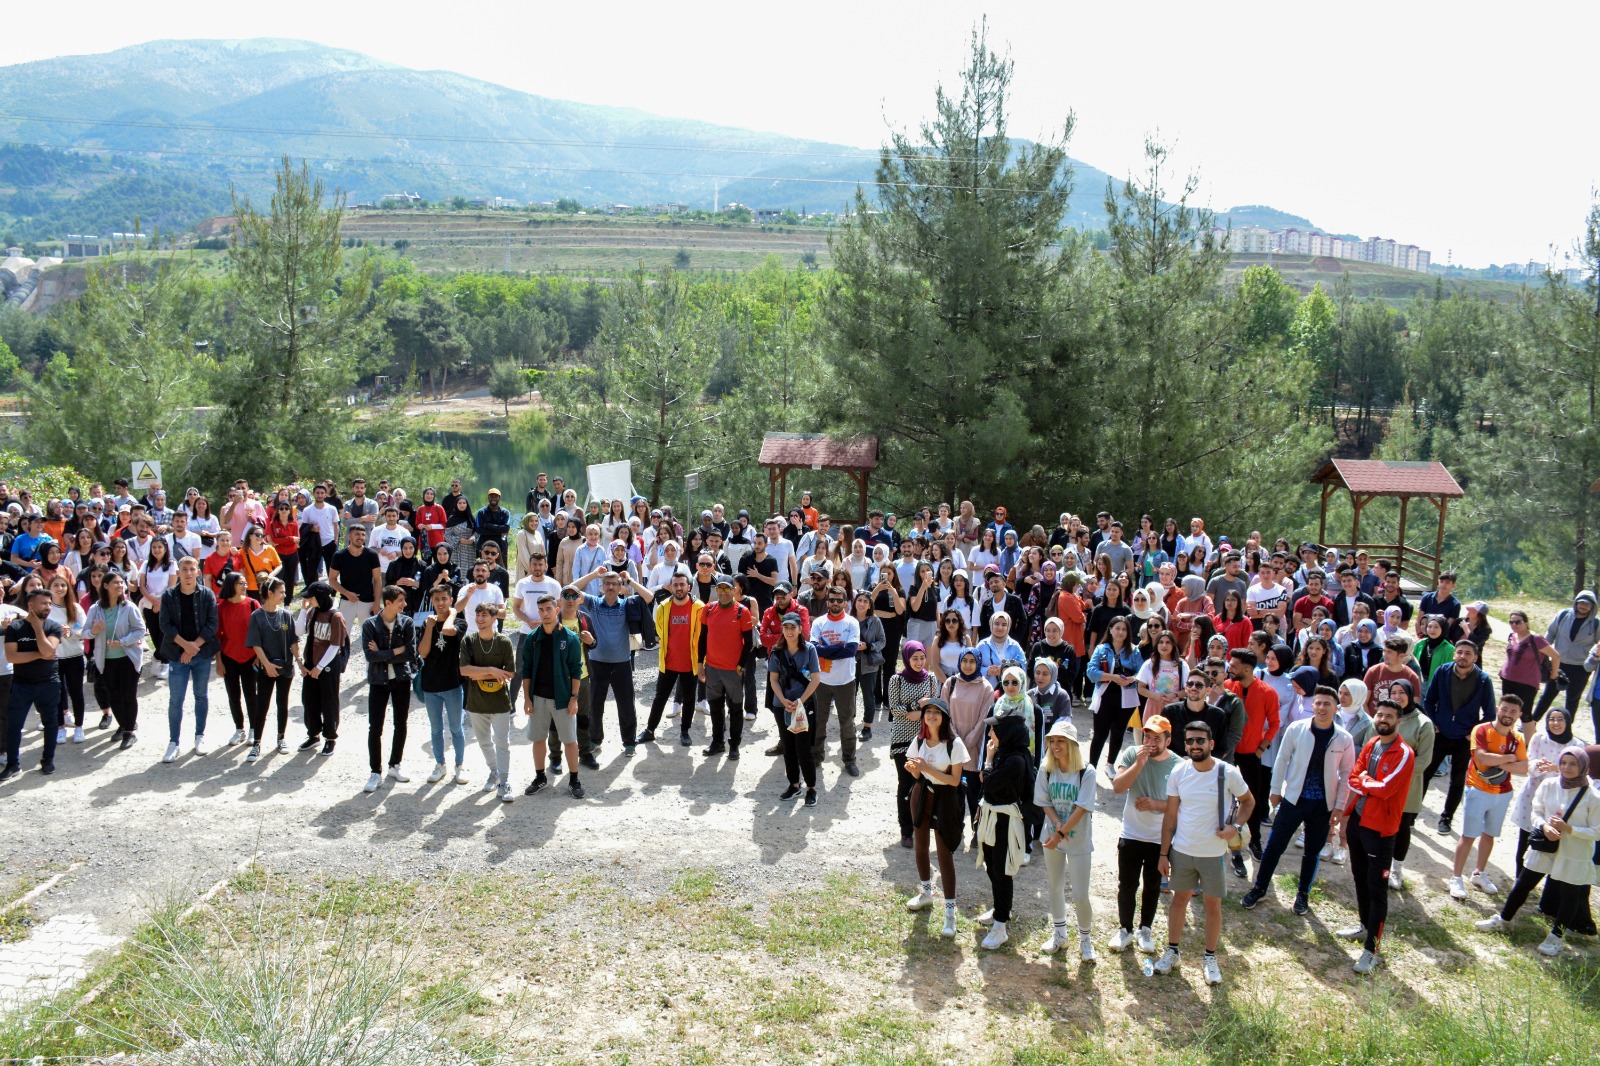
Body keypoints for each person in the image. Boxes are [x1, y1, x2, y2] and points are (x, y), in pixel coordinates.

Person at [1154, 720, 1254, 985]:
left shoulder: (1227, 772)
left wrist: (1236, 827)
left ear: (1211, 744)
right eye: (1190, 741)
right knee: (1179, 901)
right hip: (1182, 850)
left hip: (1213, 853)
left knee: (1213, 906)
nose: (1194, 745)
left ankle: (1210, 957)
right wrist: (1164, 854)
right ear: (1184, 744)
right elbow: (1170, 817)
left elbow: (1248, 802)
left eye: (1200, 741)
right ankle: (1172, 951)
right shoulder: (1179, 772)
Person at [1240, 686, 1356, 916]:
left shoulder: (1344, 738)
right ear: (1312, 706)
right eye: (1318, 703)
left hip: (1323, 805)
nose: (1322, 708)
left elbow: (1346, 775)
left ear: (1336, 708)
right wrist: (1275, 790)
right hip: (1293, 799)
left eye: (1327, 704)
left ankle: (1303, 894)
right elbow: (1281, 760)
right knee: (1274, 847)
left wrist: (1340, 806)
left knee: (1312, 851)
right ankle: (1260, 887)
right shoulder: (1297, 728)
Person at [1476, 747, 1600, 959]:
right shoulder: (1550, 784)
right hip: (1546, 847)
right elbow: (1537, 811)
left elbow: (1597, 831)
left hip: (1573, 852)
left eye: (1573, 764)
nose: (1567, 768)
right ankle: (1504, 920)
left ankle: (1557, 937)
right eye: (1563, 763)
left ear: (1584, 767)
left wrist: (1569, 829)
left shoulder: (1593, 797)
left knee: (1570, 895)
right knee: (1524, 883)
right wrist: (1544, 827)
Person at [1338, 699, 1416, 972]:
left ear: (1399, 720)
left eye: (1389, 716)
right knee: (1359, 877)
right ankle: (1363, 926)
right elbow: (1352, 777)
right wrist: (1367, 784)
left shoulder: (1404, 753)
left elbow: (1385, 788)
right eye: (1380, 714)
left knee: (1377, 888)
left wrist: (1365, 783)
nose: (1382, 719)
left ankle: (1371, 950)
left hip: (1381, 829)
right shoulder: (1371, 743)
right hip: (1359, 822)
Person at [1448, 694, 1530, 900]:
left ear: (1519, 715)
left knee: (1489, 835)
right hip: (1477, 788)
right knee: (1468, 836)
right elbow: (1481, 758)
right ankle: (1456, 878)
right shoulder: (1482, 729)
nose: (1508, 714)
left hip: (1503, 792)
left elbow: (1523, 768)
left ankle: (1479, 873)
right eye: (1505, 709)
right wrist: (1510, 758)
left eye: (1513, 711)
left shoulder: (1517, 738)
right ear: (1497, 708)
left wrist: (1497, 761)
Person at [1109, 715, 1177, 955]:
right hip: (1131, 833)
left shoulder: (1178, 765)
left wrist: (1156, 805)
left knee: (1153, 885)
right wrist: (1139, 765)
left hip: (1159, 839)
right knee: (1126, 884)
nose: (1150, 742)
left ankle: (1145, 929)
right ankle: (1125, 929)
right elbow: (1117, 787)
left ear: (1168, 740)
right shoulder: (1132, 754)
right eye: (1147, 736)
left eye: (1156, 738)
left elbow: (1182, 805)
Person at [568, 565, 651, 757]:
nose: (611, 587)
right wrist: (593, 574)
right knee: (595, 705)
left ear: (621, 587)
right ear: (601, 586)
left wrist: (630, 581)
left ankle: (629, 742)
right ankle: (595, 740)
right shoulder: (594, 603)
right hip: (597, 662)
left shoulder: (627, 604)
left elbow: (648, 598)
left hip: (622, 662)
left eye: (615, 584)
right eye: (607, 583)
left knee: (626, 705)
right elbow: (570, 589)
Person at [1035, 718, 1098, 961]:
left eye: (1061, 740)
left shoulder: (1086, 772)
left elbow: (1082, 808)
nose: (1056, 745)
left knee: (1080, 894)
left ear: (1072, 744)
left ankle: (1085, 939)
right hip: (1052, 837)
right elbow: (1043, 801)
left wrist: (1060, 832)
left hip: (1077, 840)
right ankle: (1059, 934)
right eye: (1052, 740)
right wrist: (1056, 825)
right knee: (1055, 886)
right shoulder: (1046, 767)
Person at [1422, 640, 1497, 834]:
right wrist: (1433, 722)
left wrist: (1473, 733)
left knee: (1457, 780)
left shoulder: (1483, 680)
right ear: (1454, 654)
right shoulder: (1442, 672)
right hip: (1440, 733)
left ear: (1475, 657)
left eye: (1468, 653)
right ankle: (1412, 813)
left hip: (1464, 739)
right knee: (1425, 773)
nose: (1463, 656)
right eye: (1460, 652)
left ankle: (1446, 818)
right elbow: (1429, 701)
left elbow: (1490, 714)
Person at [516, 594, 585, 800]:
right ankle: (540, 777)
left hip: (562, 698)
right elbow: (526, 670)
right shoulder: (532, 638)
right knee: (538, 739)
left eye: (548, 609)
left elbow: (576, 670)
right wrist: (527, 698)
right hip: (538, 697)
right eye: (541, 610)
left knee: (570, 740)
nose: (545, 613)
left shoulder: (570, 638)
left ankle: (574, 780)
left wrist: (574, 698)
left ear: (557, 610)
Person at [974, 715, 1033, 950]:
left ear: (1006, 734)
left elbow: (987, 783)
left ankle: (1001, 926)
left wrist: (987, 762)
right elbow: (986, 784)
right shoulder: (1005, 754)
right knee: (992, 866)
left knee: (1002, 871)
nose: (990, 735)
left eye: (994, 732)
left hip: (1005, 822)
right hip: (992, 817)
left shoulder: (1014, 761)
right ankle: (1000, 908)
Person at [158, 557, 218, 764]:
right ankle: (174, 742)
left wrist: (194, 647)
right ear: (179, 572)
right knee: (176, 700)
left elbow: (212, 625)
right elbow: (165, 625)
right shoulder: (168, 595)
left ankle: (199, 737)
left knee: (201, 695)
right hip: (177, 655)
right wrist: (186, 646)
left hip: (201, 654)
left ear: (198, 572)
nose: (188, 573)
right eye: (184, 569)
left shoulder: (207, 594)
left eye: (192, 569)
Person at [2, 588, 64, 780]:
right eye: (43, 603)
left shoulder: (54, 626)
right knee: (14, 725)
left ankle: (48, 761)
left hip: (48, 683)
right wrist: (41, 654)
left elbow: (49, 649)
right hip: (22, 684)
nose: (47, 607)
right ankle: (13, 765)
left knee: (51, 723)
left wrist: (38, 628)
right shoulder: (15, 628)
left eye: (49, 603)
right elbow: (12, 657)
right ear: (30, 605)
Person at [360, 585, 416, 794]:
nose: (405, 604)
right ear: (389, 603)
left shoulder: (407, 622)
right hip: (378, 681)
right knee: (375, 727)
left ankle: (395, 765)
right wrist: (395, 650)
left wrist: (384, 652)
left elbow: (410, 653)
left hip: (401, 679)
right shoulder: (370, 625)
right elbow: (370, 656)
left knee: (400, 723)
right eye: (400, 600)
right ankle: (375, 771)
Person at [1511, 706, 1578, 875]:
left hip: (1558, 800)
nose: (1555, 723)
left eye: (1560, 719)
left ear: (1568, 722)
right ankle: (1520, 878)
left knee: (1551, 843)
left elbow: (1578, 775)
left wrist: (1558, 768)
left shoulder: (1576, 745)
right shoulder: (1539, 738)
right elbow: (1529, 764)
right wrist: (1538, 766)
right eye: (1551, 719)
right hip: (1533, 795)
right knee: (1524, 839)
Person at [638, 573, 702, 746]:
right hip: (669, 662)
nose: (679, 588)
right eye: (675, 585)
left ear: (688, 587)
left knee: (689, 699)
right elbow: (659, 629)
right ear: (671, 587)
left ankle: (685, 732)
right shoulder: (663, 607)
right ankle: (650, 731)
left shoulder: (699, 607)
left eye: (682, 584)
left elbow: (703, 635)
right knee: (660, 697)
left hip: (691, 662)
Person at [696, 574, 754, 759]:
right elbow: (703, 637)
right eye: (719, 589)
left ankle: (734, 744)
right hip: (712, 668)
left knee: (736, 707)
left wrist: (740, 666)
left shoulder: (742, 612)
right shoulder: (708, 609)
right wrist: (700, 663)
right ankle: (717, 741)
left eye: (727, 588)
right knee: (715, 705)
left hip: (732, 670)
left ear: (734, 590)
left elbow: (749, 642)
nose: (723, 592)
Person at [86, 569, 145, 752]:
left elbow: (140, 630)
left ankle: (129, 731)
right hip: (106, 661)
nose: (120, 586)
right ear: (105, 586)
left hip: (128, 659)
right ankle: (123, 724)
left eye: (121, 583)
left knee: (128, 695)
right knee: (113, 696)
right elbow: (85, 632)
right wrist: (95, 630)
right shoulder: (95, 609)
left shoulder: (129, 607)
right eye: (116, 583)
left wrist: (122, 641)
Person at [415, 584, 468, 785]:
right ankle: (440, 764)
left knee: (456, 728)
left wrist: (453, 614)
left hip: (453, 684)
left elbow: (448, 631)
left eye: (444, 599)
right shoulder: (427, 624)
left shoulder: (460, 623)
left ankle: (459, 766)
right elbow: (423, 652)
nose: (440, 603)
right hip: (431, 686)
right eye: (436, 600)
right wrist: (429, 628)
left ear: (451, 600)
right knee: (436, 729)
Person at [768, 611, 822, 807]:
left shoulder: (809, 650)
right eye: (786, 627)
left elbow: (816, 678)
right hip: (782, 706)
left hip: (804, 705)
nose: (789, 631)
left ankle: (811, 788)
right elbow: (773, 680)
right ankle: (794, 784)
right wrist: (783, 701)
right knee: (788, 747)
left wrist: (799, 701)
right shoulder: (776, 651)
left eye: (793, 627)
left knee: (804, 748)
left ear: (800, 629)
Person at [810, 584, 862, 776]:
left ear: (845, 603)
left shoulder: (852, 623)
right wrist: (839, 649)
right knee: (819, 720)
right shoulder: (819, 623)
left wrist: (827, 651)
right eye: (832, 599)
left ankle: (849, 759)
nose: (835, 603)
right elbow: (814, 649)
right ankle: (816, 755)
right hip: (821, 681)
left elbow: (851, 651)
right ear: (827, 601)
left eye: (839, 600)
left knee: (847, 722)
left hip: (845, 681)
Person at [243, 577, 297, 762]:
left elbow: (293, 641)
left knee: (282, 703)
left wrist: (299, 660)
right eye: (281, 592)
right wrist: (266, 664)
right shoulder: (257, 616)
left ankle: (281, 738)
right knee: (262, 705)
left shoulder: (286, 615)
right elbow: (255, 644)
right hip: (266, 668)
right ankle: (257, 743)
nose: (284, 595)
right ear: (270, 593)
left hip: (285, 668)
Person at [295, 581, 348, 757]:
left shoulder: (336, 617)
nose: (308, 600)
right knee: (309, 701)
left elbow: (334, 646)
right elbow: (299, 632)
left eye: (311, 597)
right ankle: (313, 734)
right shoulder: (312, 612)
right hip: (311, 665)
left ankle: (330, 738)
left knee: (329, 702)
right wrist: (303, 610)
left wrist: (319, 666)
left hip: (326, 667)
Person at [1533, 590, 1598, 728]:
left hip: (1581, 667)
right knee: (1548, 694)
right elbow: (1551, 633)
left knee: (1573, 699)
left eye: (1587, 604)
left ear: (1592, 607)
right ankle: (1533, 721)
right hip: (1558, 663)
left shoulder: (1596, 624)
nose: (1583, 606)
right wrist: (1542, 653)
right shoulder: (1563, 615)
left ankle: (1566, 727)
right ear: (1576, 603)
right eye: (1581, 603)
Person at [1086, 616, 1142, 769]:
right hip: (1105, 696)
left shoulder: (1134, 650)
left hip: (1126, 698)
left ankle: (1110, 764)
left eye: (1124, 629)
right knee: (1099, 734)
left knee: (1118, 732)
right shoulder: (1101, 649)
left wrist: (1131, 679)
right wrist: (1113, 677)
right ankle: (1092, 766)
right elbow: (1091, 672)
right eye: (1117, 628)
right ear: (1110, 630)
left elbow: (1141, 671)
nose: (1120, 632)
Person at [215, 572, 260, 749]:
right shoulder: (221, 608)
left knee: (251, 695)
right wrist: (219, 661)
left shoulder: (252, 604)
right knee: (233, 695)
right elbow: (217, 636)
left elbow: (259, 631)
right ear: (231, 584)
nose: (245, 585)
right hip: (228, 657)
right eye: (241, 582)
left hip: (250, 657)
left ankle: (254, 729)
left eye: (245, 582)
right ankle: (239, 728)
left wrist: (258, 656)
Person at [853, 590, 887, 741]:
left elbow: (882, 641)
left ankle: (867, 727)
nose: (862, 603)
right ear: (855, 602)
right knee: (849, 696)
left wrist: (868, 646)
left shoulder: (875, 620)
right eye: (859, 600)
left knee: (868, 696)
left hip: (869, 664)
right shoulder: (848, 619)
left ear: (869, 605)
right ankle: (850, 723)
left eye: (865, 601)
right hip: (850, 664)